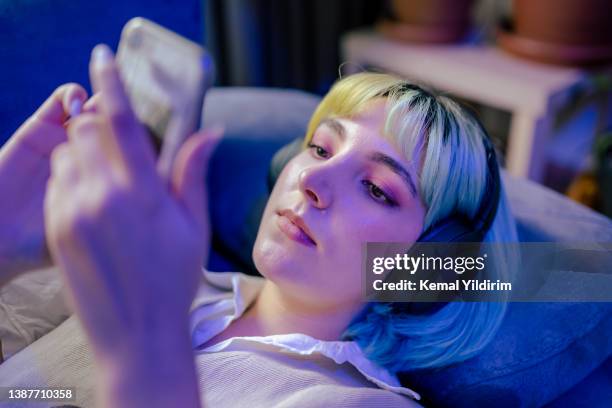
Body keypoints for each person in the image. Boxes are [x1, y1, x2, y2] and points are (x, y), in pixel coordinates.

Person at [0, 44, 517, 407]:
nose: (314, 176)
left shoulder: (353, 402)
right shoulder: (156, 276)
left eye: (378, 188)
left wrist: (146, 347)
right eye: (319, 147)